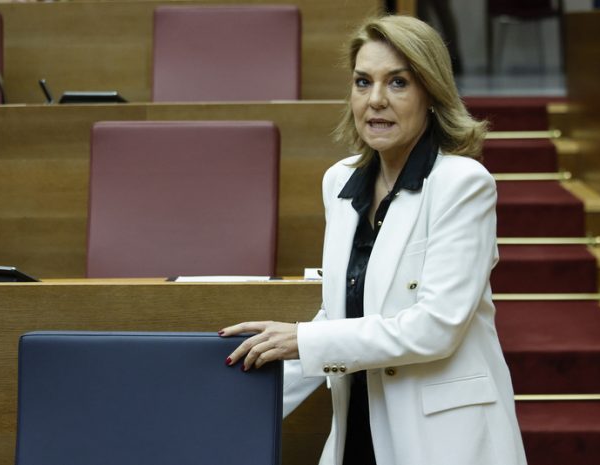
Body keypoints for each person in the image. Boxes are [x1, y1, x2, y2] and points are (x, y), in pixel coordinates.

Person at [220, 15, 527, 465]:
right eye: (363, 82)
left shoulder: (463, 184)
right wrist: (231, 410)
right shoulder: (339, 181)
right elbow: (341, 314)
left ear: (431, 94)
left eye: (398, 83)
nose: (376, 99)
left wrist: (304, 340)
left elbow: (436, 328)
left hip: (444, 438)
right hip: (359, 429)